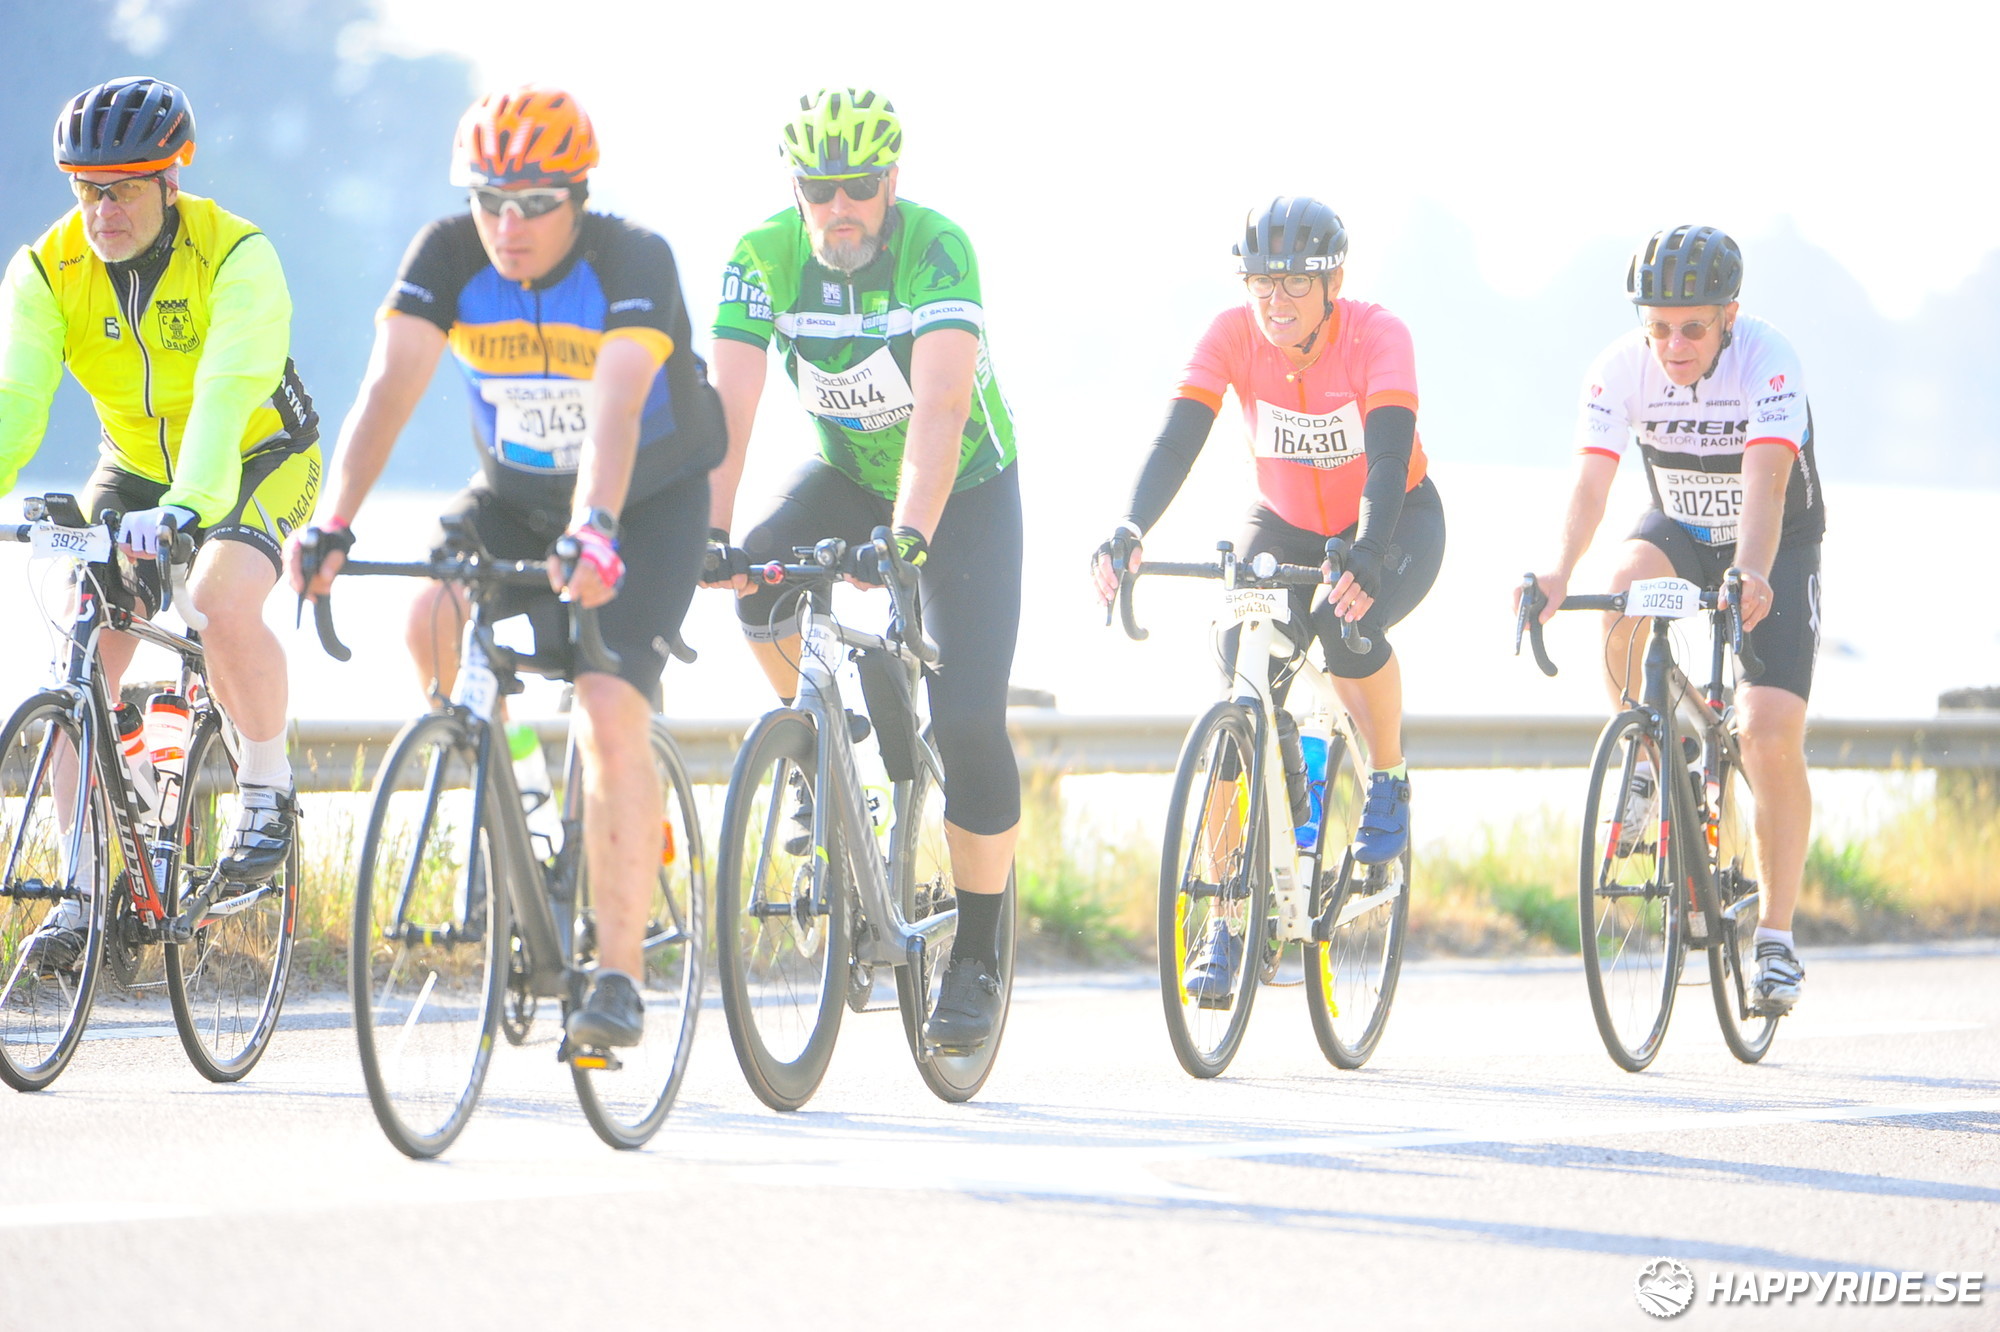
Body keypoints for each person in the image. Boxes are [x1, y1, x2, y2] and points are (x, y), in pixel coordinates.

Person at [285, 86, 724, 1048]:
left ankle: (618, 978)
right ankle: (515, 789)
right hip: (516, 498)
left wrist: (596, 528)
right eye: (489, 200)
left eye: (532, 205)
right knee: (427, 621)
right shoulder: (447, 255)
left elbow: (613, 411)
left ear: (579, 196)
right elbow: (386, 390)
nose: (506, 226)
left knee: (607, 705)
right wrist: (332, 523)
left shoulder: (632, 260)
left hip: (645, 505)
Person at [706, 87, 1020, 1053]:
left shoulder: (937, 247)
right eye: (819, 189)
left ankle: (978, 955)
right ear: (796, 190)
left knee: (967, 720)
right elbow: (729, 405)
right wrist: (709, 531)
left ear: (891, 182)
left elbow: (941, 406)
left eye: (856, 187)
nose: (838, 207)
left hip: (964, 492)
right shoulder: (762, 256)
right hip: (846, 477)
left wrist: (908, 538)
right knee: (758, 592)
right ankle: (822, 751)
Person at [0, 76, 321, 967]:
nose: (103, 211)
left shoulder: (237, 255)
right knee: (81, 659)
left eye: (125, 190)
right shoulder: (46, 270)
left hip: (258, 452)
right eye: (87, 189)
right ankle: (81, 894)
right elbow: (15, 401)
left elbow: (224, 395)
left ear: (171, 181)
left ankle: (266, 789)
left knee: (217, 598)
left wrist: (187, 508)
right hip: (136, 463)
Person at [1092, 196, 1446, 1001]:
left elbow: (1388, 458)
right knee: (1238, 673)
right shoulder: (1230, 334)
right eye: (1260, 282)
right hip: (1284, 522)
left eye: (1293, 283)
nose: (1274, 300)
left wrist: (1366, 553)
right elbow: (1177, 438)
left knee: (1346, 623)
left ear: (1333, 283)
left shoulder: (1378, 334)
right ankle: (1228, 916)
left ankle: (1388, 777)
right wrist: (1130, 525)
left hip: (1394, 515)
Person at [1524, 225, 1822, 1015]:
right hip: (1682, 529)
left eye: (1693, 328)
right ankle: (1660, 755)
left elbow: (1767, 483)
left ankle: (1776, 939)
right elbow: (1591, 487)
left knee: (1767, 733)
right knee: (1621, 588)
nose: (1674, 345)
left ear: (1730, 316)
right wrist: (1556, 573)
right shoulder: (1618, 368)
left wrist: (1752, 572)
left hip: (1775, 539)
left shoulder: (1770, 358)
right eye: (1658, 328)